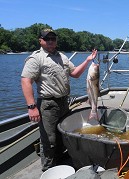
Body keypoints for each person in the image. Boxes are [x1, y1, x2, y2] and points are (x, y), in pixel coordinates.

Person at [21, 28, 97, 171]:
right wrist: (31, 107)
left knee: (62, 133)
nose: (50, 41)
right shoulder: (36, 58)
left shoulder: (61, 56)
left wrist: (87, 61)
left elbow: (74, 73)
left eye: (53, 39)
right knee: (49, 140)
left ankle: (60, 161)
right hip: (48, 104)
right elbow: (26, 81)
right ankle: (48, 169)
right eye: (47, 39)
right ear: (41, 41)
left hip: (63, 102)